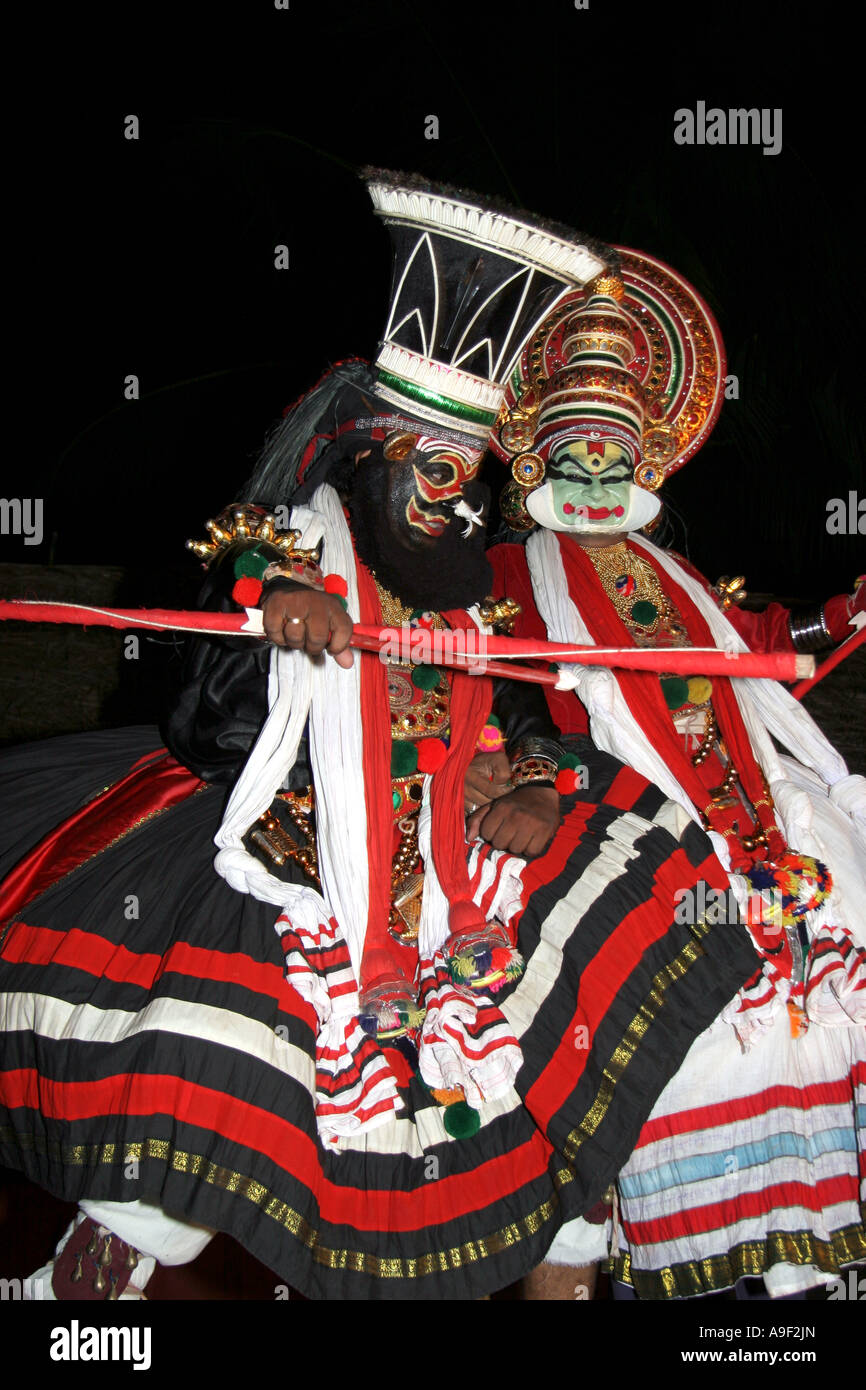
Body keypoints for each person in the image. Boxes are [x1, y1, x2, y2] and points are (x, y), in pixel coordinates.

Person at [0, 175, 757, 1300]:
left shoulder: (462, 593)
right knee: (187, 1132)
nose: (459, 508)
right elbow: (246, 586)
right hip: (289, 862)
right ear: (365, 460)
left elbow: (502, 713)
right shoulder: (306, 547)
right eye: (438, 476)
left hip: (447, 874)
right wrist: (277, 606)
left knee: (571, 1063)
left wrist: (525, 777)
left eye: (473, 481)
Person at [488, 250, 866, 1297]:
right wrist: (539, 776)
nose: (601, 477)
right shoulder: (503, 575)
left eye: (619, 458)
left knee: (814, 1021)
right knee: (650, 1079)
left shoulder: (673, 573)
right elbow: (493, 692)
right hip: (611, 844)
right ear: (535, 462)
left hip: (756, 834)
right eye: (580, 457)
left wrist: (843, 616)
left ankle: (791, 1278)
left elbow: (756, 643)